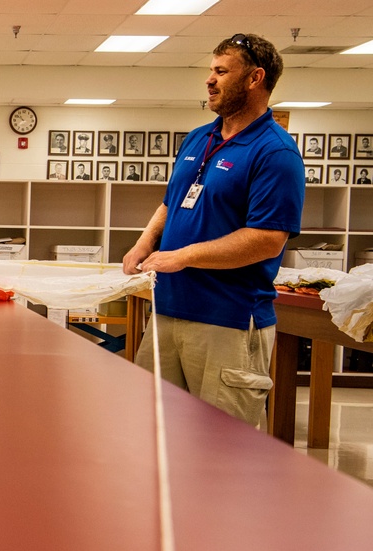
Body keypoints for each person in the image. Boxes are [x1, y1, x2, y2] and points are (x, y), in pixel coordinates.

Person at [122, 34, 304, 428]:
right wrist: (144, 243)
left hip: (228, 322)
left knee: (219, 450)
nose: (210, 79)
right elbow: (171, 202)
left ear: (255, 78)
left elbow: (268, 240)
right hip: (168, 312)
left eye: (222, 72)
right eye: (211, 70)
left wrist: (183, 256)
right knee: (151, 434)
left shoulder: (276, 153)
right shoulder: (198, 138)